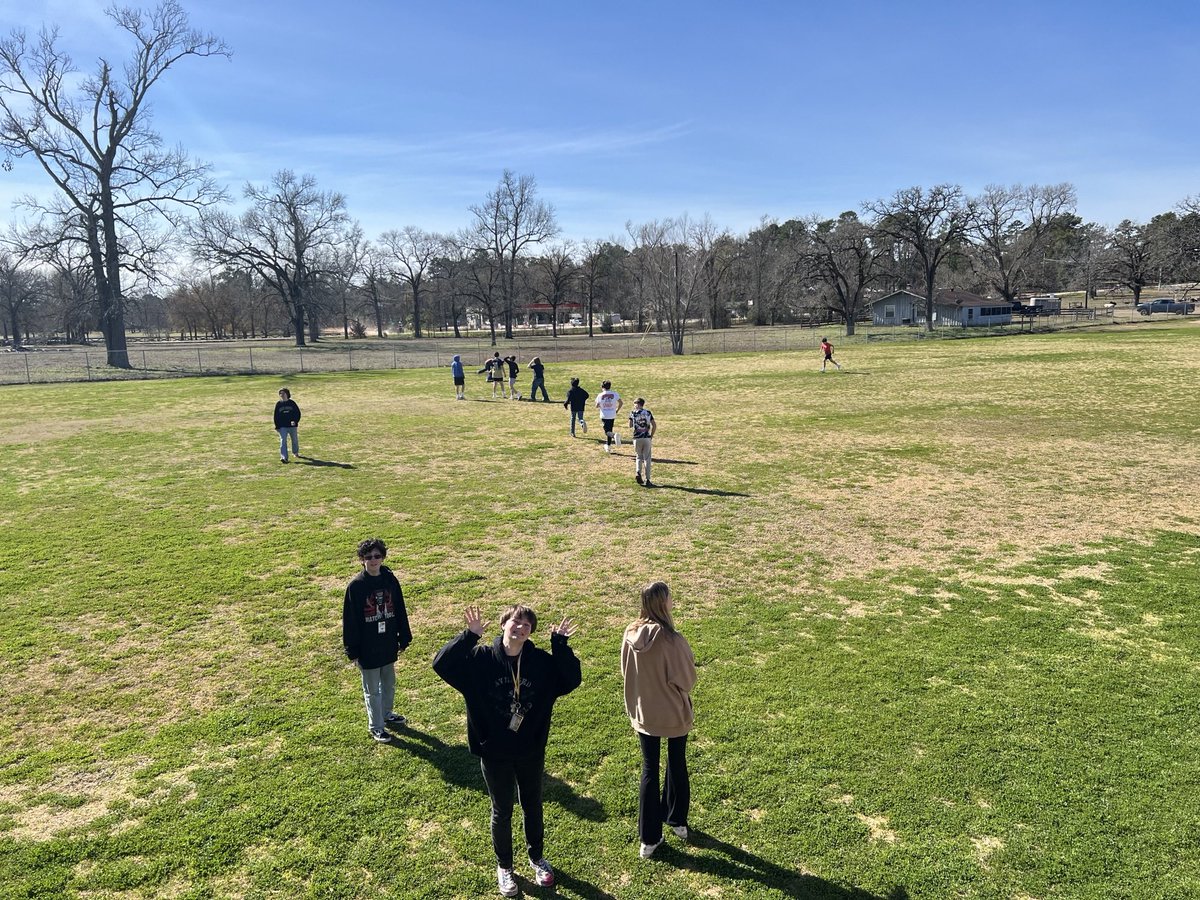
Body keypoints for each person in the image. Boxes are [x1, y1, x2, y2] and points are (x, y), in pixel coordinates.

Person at [433, 604, 581, 897]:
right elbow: (441, 664)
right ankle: (505, 868)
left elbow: (571, 679)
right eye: (516, 621)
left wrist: (560, 645)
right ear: (503, 624)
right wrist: (468, 636)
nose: (521, 627)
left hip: (530, 748)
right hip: (494, 750)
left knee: (532, 804)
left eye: (527, 624)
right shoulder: (480, 660)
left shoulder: (539, 662)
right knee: (502, 810)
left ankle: (537, 859)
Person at [621, 581, 696, 859]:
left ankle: (649, 838)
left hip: (644, 713)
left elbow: (625, 669)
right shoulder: (673, 640)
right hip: (674, 713)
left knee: (649, 769)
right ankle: (676, 819)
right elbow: (687, 680)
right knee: (677, 762)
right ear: (663, 603)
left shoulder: (630, 633)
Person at [342, 538, 413, 743]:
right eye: (368, 557)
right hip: (367, 648)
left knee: (389, 683)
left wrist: (404, 636)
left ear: (383, 557)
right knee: (372, 690)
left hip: (387, 643)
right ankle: (376, 726)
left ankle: (386, 714)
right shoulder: (356, 586)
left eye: (377, 556)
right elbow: (350, 621)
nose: (373, 560)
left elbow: (399, 608)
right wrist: (353, 651)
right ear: (362, 560)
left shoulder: (390, 579)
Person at [628, 397, 657, 487]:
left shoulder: (632, 413)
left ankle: (638, 472)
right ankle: (648, 479)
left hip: (637, 438)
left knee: (638, 457)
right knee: (647, 459)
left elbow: (630, 425)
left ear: (636, 404)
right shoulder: (648, 413)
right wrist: (651, 435)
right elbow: (654, 425)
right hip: (646, 437)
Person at [273, 388, 301, 463]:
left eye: (283, 393)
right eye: (280, 393)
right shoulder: (278, 404)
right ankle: (284, 457)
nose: (281, 395)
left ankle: (295, 452)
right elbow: (276, 416)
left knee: (294, 440)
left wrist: (295, 421)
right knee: (283, 441)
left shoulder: (292, 403)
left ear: (287, 394)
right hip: (282, 426)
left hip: (292, 426)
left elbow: (297, 413)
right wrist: (277, 426)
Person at [595, 380, 623, 452]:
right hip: (612, 414)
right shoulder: (615, 394)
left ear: (602, 387)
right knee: (610, 429)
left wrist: (599, 405)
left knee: (607, 431)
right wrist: (617, 410)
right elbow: (621, 403)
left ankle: (614, 436)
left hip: (604, 415)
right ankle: (608, 446)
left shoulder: (600, 395)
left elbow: (597, 405)